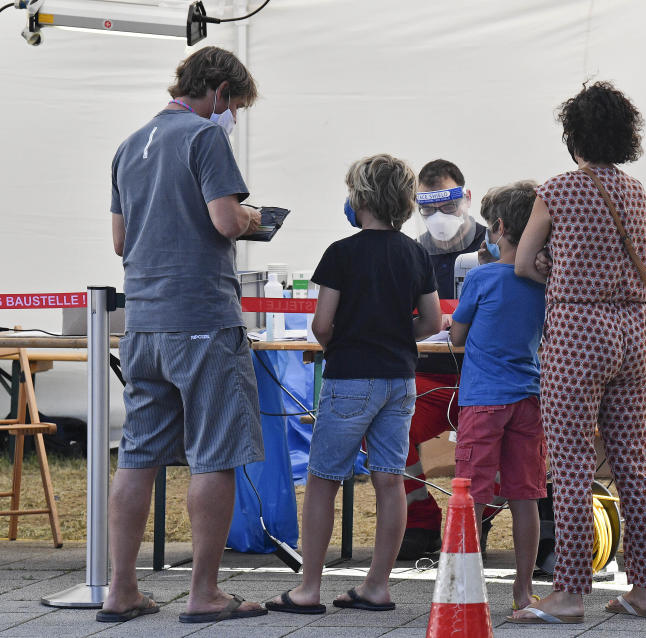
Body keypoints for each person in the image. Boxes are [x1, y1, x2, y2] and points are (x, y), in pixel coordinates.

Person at [101, 46, 267, 623]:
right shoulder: (204, 138)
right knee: (214, 455)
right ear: (218, 91)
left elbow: (121, 242)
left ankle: (120, 591)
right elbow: (225, 220)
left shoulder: (129, 145)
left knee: (139, 455)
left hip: (143, 322)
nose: (234, 118)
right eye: (236, 105)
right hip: (201, 319)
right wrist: (251, 218)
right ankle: (204, 593)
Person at [510, 81, 646, 624]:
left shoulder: (558, 190)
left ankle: (570, 591)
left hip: (578, 329)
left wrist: (557, 268)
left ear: (573, 134)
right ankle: (644, 588)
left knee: (571, 463)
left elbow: (524, 263)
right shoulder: (637, 191)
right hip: (631, 330)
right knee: (634, 463)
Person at [267, 154, 441, 614]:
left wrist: (342, 341)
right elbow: (433, 319)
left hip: (349, 379)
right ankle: (377, 585)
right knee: (390, 480)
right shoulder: (416, 253)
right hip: (400, 380)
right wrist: (401, 337)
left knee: (324, 480)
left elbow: (322, 325)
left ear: (359, 199)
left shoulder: (340, 253)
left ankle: (308, 589)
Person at [449, 181, 546, 611]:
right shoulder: (546, 281)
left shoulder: (480, 277)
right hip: (529, 396)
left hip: (483, 399)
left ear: (500, 228)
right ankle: (523, 592)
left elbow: (456, 335)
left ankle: (462, 587)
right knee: (526, 497)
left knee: (470, 495)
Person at [398, 159, 490, 559]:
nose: (439, 217)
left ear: (467, 199)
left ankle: (479, 520)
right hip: (432, 378)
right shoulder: (413, 252)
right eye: (428, 209)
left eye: (448, 206)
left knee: (503, 433)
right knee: (386, 420)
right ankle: (419, 517)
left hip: (485, 377)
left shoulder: (495, 247)